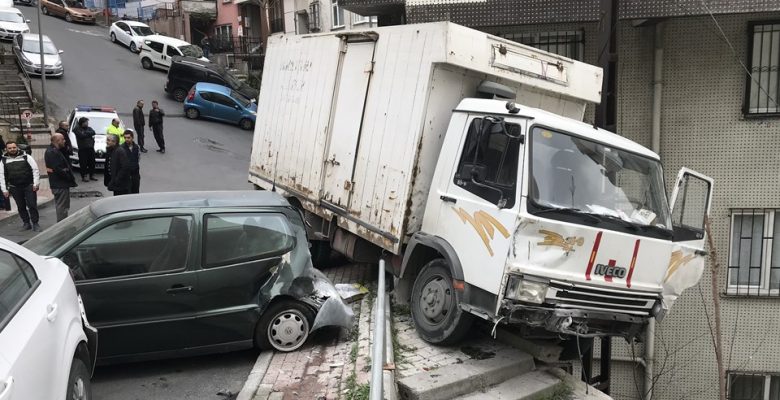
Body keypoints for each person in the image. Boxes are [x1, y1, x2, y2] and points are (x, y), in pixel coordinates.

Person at [0, 141, 41, 231]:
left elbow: (35, 170)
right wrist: (4, 190)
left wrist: (36, 183)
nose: (12, 149)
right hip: (15, 187)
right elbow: (1, 175)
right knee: (21, 206)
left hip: (29, 185)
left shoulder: (26, 157)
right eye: (10, 148)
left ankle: (35, 223)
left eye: (14, 147)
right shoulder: (3, 160)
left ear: (17, 147)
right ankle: (26, 223)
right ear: (6, 149)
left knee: (32, 205)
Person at [45, 133, 77, 221]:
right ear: (57, 141)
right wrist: (68, 175)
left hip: (60, 184)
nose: (64, 141)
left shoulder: (55, 150)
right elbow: (58, 169)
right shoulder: (52, 152)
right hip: (60, 185)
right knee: (62, 207)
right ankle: (61, 226)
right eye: (63, 139)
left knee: (63, 207)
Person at [110, 130, 141, 195]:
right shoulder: (121, 148)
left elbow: (138, 158)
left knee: (135, 193)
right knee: (127, 194)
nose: (126, 139)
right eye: (125, 138)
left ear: (132, 137)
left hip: (135, 175)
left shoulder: (136, 147)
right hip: (126, 177)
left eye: (128, 137)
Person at [73, 117, 97, 182]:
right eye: (86, 122)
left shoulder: (89, 128)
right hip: (83, 149)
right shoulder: (77, 129)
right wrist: (88, 134)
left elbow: (93, 132)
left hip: (91, 148)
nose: (87, 123)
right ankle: (84, 176)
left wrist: (85, 133)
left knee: (92, 163)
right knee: (83, 163)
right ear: (82, 123)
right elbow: (81, 135)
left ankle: (92, 175)